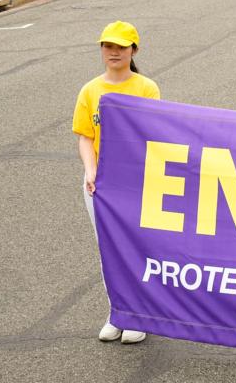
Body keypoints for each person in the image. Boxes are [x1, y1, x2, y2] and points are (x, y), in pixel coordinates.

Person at [73, 20, 159, 345]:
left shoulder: (146, 88)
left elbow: (152, 135)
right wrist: (91, 171)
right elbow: (85, 137)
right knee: (107, 249)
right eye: (108, 46)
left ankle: (139, 314)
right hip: (99, 183)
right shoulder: (90, 90)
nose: (114, 52)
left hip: (135, 181)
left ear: (133, 50)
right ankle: (117, 312)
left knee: (136, 246)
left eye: (121, 47)